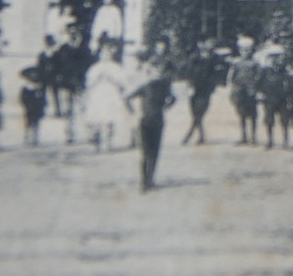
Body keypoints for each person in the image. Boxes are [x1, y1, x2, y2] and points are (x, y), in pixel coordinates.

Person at [126, 53, 178, 191]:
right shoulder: (162, 86)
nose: (157, 73)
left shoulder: (149, 86)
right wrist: (165, 107)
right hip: (154, 120)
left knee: (148, 152)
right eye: (155, 70)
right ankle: (147, 180)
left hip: (147, 120)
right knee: (151, 152)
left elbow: (127, 98)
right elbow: (173, 99)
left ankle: (147, 181)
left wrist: (133, 111)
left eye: (158, 70)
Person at [81, 43, 131, 152]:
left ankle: (108, 143)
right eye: (103, 54)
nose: (105, 56)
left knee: (110, 119)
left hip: (111, 95)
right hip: (98, 95)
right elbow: (88, 83)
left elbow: (122, 83)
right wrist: (98, 78)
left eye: (108, 54)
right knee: (96, 120)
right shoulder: (94, 68)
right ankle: (97, 142)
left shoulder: (116, 67)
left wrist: (112, 79)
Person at [182, 41, 228, 145]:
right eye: (203, 44)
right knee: (195, 113)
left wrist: (215, 85)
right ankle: (201, 136)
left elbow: (219, 73)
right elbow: (188, 72)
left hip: (206, 90)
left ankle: (189, 135)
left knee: (200, 112)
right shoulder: (194, 58)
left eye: (208, 44)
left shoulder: (215, 59)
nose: (206, 46)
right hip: (194, 89)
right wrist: (189, 85)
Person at [228, 38, 262, 145]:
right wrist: (233, 89)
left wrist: (257, 90)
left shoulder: (255, 63)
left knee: (252, 115)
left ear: (252, 50)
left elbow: (259, 77)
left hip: (251, 91)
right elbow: (232, 77)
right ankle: (244, 137)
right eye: (243, 50)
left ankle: (253, 137)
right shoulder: (236, 63)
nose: (245, 52)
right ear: (239, 50)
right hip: (240, 90)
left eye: (248, 50)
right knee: (241, 114)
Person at [257, 44, 290, 149]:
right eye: (274, 56)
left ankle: (285, 141)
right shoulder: (265, 70)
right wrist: (260, 93)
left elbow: (289, 83)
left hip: (282, 97)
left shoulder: (285, 70)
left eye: (279, 56)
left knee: (284, 119)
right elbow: (259, 83)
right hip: (269, 97)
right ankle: (270, 140)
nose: (277, 59)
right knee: (269, 119)